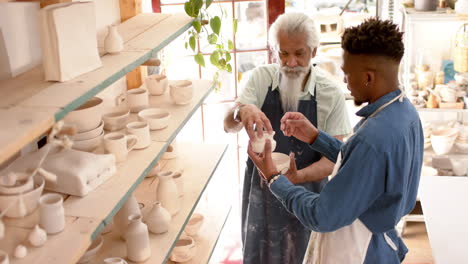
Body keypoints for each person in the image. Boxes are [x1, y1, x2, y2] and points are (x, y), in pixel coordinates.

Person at [248, 18, 424, 263]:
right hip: (380, 239)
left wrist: (275, 179)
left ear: (369, 77)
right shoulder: (405, 113)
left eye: (347, 73)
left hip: (360, 250)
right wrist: (316, 137)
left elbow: (322, 216)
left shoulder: (373, 138)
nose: (344, 81)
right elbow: (363, 166)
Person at [224, 12, 351, 264]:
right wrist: (242, 110)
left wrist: (298, 177)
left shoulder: (330, 93)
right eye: (283, 53)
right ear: (274, 51)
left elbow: (334, 160)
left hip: (309, 192)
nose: (291, 63)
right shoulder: (261, 78)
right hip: (262, 188)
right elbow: (228, 125)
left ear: (313, 51)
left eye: (299, 53)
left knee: (306, 255)